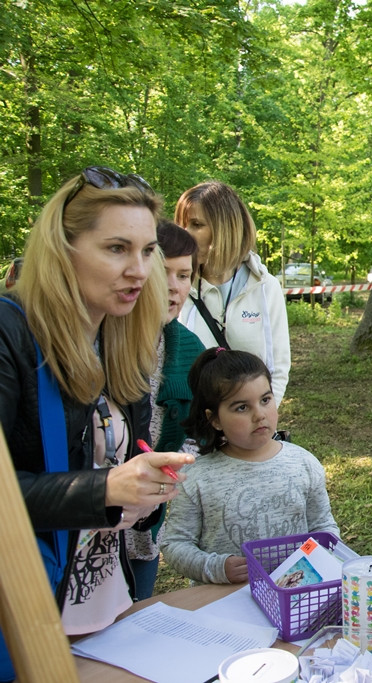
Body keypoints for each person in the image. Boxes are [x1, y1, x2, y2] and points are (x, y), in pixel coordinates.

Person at [0, 166, 194, 680]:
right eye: (116, 249)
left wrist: (144, 489)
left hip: (103, 613)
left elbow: (113, 470)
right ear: (62, 250)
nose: (139, 270)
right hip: (28, 622)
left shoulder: (120, 339)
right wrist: (106, 488)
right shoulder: (9, 334)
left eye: (148, 251)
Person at [160, 348, 339, 584]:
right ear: (214, 419)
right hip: (223, 604)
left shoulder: (304, 463)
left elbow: (323, 526)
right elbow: (174, 544)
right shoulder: (196, 477)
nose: (259, 415)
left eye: (265, 400)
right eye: (242, 407)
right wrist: (217, 567)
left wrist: (320, 557)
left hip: (295, 599)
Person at [125, 219, 207, 600]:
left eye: (184, 275)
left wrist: (180, 463)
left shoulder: (190, 349)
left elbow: (197, 429)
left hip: (144, 526)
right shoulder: (99, 342)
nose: (174, 286)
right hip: (86, 522)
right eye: (164, 272)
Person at [175, 181, 290, 405]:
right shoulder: (176, 288)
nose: (185, 235)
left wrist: (258, 425)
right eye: (182, 225)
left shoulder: (265, 287)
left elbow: (277, 370)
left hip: (249, 429)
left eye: (196, 225)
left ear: (224, 230)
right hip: (192, 429)